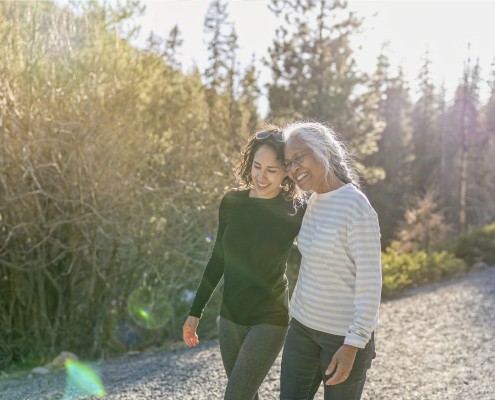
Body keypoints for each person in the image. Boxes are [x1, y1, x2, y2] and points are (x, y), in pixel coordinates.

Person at [182, 126, 305, 400]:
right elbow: (218, 259)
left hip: (269, 319)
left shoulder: (295, 210)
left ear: (286, 171)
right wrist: (195, 311)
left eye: (272, 170)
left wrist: (362, 227)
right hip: (229, 319)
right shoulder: (231, 202)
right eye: (257, 166)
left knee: (235, 396)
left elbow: (329, 229)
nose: (261, 177)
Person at [279, 121, 381, 400]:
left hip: (342, 338)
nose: (293, 168)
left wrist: (353, 344)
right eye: (288, 163)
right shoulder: (310, 202)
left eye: (299, 158)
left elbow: (370, 282)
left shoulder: (355, 207)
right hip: (301, 329)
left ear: (323, 150)